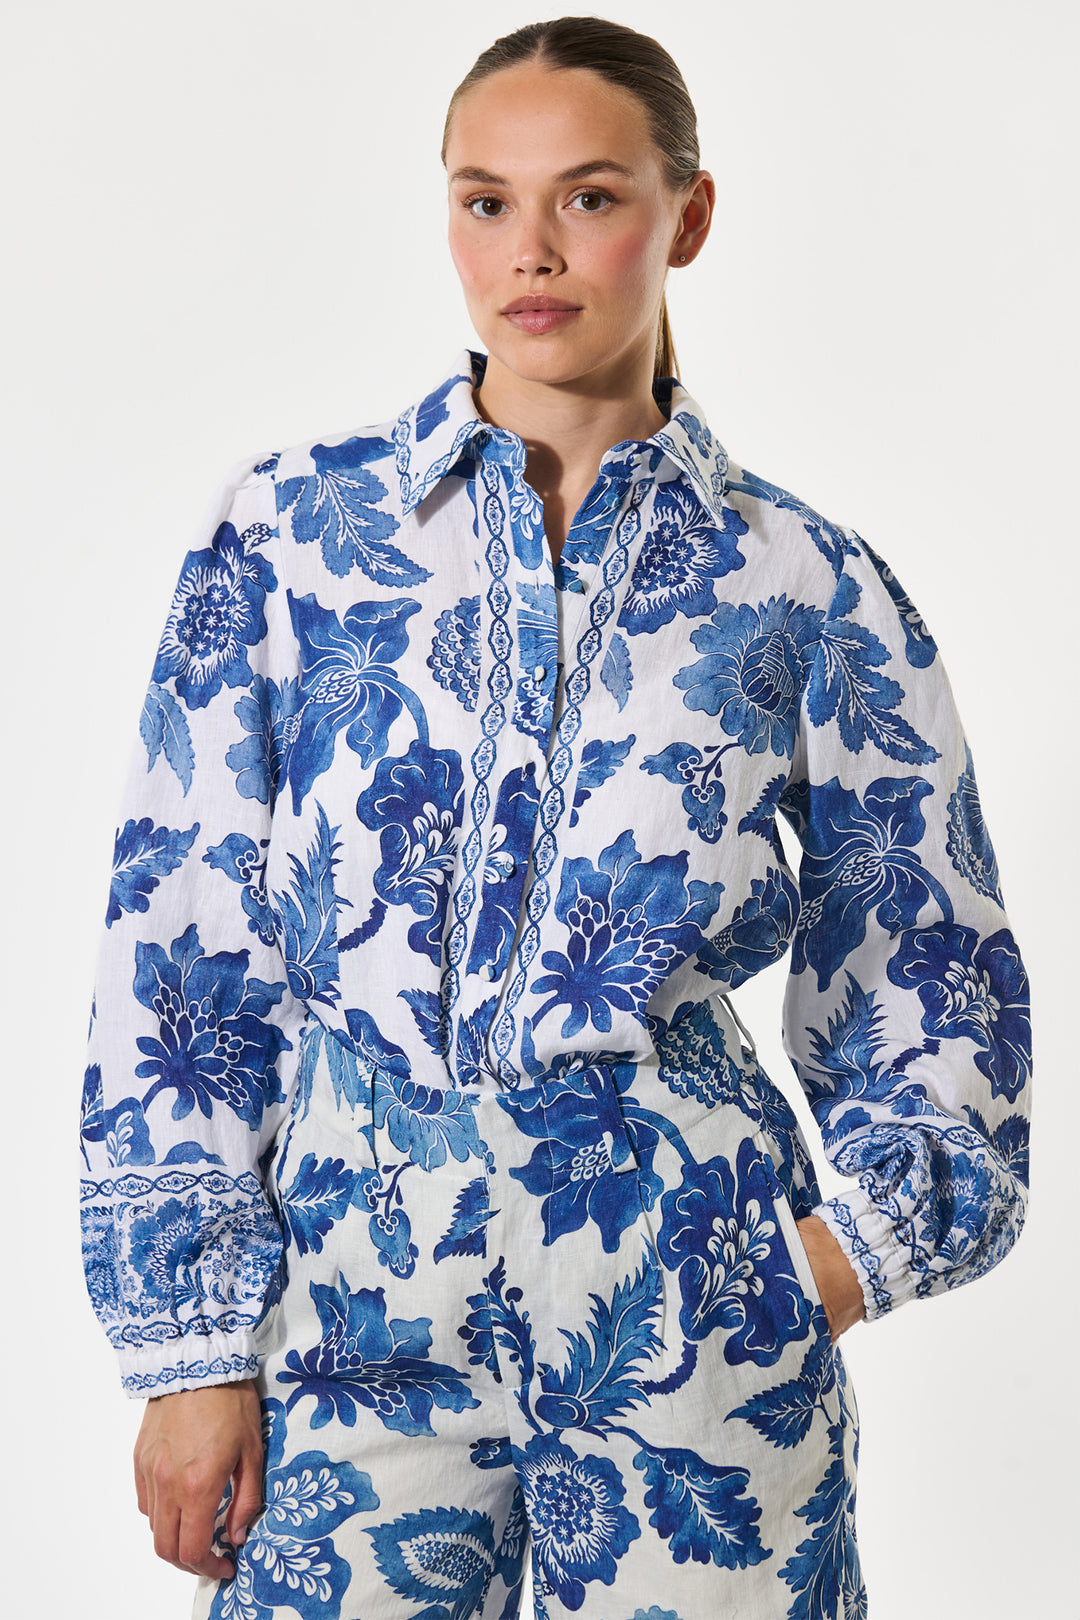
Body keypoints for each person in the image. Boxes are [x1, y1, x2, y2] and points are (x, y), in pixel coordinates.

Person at [79, 17, 1030, 1620]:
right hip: (345, 1291)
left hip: (690, 1287)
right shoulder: (294, 534)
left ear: (687, 217)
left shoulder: (804, 582)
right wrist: (189, 1350)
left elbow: (926, 952)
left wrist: (833, 1262)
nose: (530, 249)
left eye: (589, 197)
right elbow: (183, 943)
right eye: (484, 201)